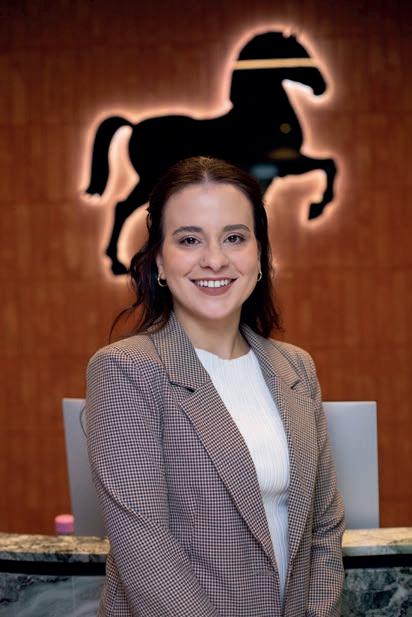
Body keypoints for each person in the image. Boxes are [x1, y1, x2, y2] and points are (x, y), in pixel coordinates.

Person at [86, 156, 345, 617]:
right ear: (159, 260)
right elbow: (145, 553)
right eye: (189, 239)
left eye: (234, 238)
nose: (215, 259)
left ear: (259, 255)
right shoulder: (125, 370)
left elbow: (324, 527)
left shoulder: (296, 368)